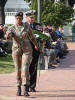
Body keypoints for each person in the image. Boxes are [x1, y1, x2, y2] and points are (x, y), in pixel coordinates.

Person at [5, 12, 38, 96]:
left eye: (20, 18)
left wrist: (36, 44)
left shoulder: (26, 26)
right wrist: (8, 35)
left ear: (22, 18)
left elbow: (32, 36)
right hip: (16, 50)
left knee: (25, 68)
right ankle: (18, 88)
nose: (18, 20)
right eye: (17, 18)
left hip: (27, 50)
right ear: (15, 19)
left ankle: (25, 88)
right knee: (18, 69)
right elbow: (8, 38)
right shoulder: (11, 28)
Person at [25, 10, 41, 92]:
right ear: (26, 18)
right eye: (30, 17)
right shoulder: (24, 26)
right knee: (26, 68)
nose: (32, 19)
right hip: (26, 50)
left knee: (34, 68)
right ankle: (26, 87)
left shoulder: (38, 25)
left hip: (35, 49)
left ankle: (32, 86)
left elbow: (40, 35)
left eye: (33, 17)